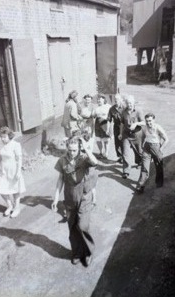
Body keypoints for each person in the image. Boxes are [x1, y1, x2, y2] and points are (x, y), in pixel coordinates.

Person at [52, 136, 98, 267]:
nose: (72, 153)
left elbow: (95, 162)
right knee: (72, 226)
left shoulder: (84, 158)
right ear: (67, 148)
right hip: (69, 195)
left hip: (83, 195)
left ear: (79, 149)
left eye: (75, 150)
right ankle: (77, 252)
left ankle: (88, 252)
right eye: (70, 150)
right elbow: (60, 180)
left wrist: (85, 146)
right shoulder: (62, 160)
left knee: (83, 225)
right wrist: (56, 198)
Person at [0, 126, 26, 218]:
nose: (2, 139)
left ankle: (17, 208)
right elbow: (0, 158)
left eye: (4, 137)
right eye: (1, 136)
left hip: (13, 169)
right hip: (4, 170)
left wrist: (18, 172)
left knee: (15, 190)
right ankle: (10, 206)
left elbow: (19, 159)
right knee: (2, 190)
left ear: (9, 136)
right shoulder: (1, 145)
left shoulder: (15, 145)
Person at [136, 113, 169, 193]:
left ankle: (159, 183)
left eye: (150, 121)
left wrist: (161, 149)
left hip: (156, 147)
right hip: (147, 147)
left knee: (158, 166)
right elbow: (143, 136)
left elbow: (166, 139)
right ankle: (141, 185)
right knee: (144, 167)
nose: (148, 123)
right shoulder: (144, 127)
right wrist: (142, 146)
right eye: (147, 121)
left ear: (154, 120)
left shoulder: (158, 128)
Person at [118, 95, 145, 179]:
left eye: (130, 103)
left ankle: (140, 163)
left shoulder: (138, 111)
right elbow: (122, 123)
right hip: (126, 134)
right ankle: (126, 171)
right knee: (125, 153)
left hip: (137, 134)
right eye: (127, 103)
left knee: (139, 151)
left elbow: (144, 122)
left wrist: (136, 124)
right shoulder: (123, 111)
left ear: (133, 103)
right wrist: (120, 133)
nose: (129, 105)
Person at [107, 93, 124, 163]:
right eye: (115, 99)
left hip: (124, 127)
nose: (116, 100)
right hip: (116, 127)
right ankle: (120, 157)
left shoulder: (124, 107)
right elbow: (109, 120)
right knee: (117, 143)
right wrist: (108, 129)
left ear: (121, 100)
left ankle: (125, 157)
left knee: (123, 142)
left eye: (117, 99)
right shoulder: (112, 109)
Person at [94, 94, 112, 159]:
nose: (98, 100)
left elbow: (110, 116)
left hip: (105, 124)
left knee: (106, 140)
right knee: (98, 139)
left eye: (100, 99)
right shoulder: (96, 107)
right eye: (98, 99)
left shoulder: (108, 106)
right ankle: (101, 152)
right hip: (97, 124)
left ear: (104, 99)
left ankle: (106, 152)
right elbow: (94, 115)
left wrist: (105, 118)